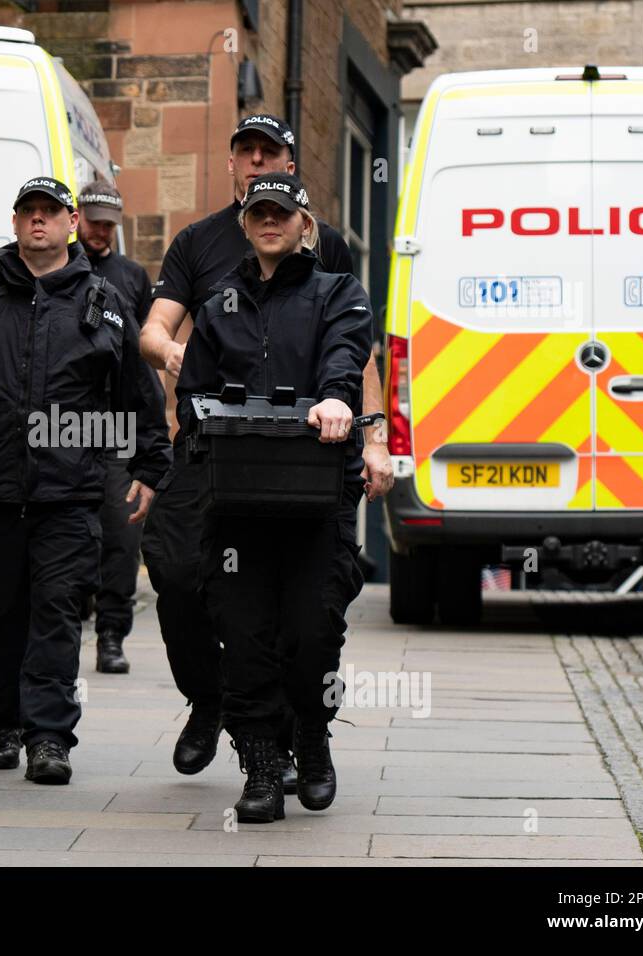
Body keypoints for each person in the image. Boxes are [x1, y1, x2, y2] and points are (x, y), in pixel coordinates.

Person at [137, 113, 392, 782]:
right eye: (245, 152)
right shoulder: (202, 251)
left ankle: (292, 731)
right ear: (232, 168)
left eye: (270, 153)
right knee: (175, 567)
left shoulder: (330, 261)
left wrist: (370, 432)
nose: (257, 163)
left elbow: (352, 350)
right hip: (221, 449)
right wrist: (184, 359)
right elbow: (154, 335)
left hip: (310, 457)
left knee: (304, 612)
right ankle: (212, 699)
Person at [0, 176, 170, 785]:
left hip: (70, 496)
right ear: (14, 224)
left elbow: (138, 396)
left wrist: (149, 465)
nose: (39, 221)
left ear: (69, 224)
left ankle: (49, 738)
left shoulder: (106, 301)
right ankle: (1, 723)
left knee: (57, 616)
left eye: (50, 213)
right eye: (28, 212)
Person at [177, 172, 372, 822]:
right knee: (244, 637)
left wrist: (339, 399)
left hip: (316, 498)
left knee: (313, 636)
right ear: (245, 222)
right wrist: (195, 439)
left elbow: (346, 356)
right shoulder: (219, 305)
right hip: (236, 508)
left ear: (302, 223)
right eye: (259, 211)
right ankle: (260, 764)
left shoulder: (336, 292)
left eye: (281, 212)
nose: (269, 221)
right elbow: (192, 394)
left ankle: (311, 737)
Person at [74, 180, 153, 675]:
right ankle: (66, 619)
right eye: (94, 221)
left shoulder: (132, 276)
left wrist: (151, 437)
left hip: (118, 424)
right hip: (63, 422)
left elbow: (143, 361)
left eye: (109, 224)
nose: (101, 231)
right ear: (77, 216)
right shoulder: (54, 266)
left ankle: (111, 634)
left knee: (122, 536)